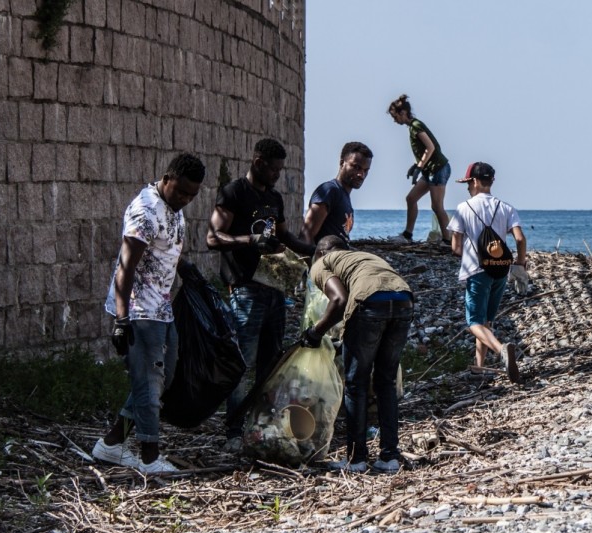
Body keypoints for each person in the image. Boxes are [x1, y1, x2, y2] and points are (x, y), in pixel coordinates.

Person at [92, 153, 206, 474]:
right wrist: (121, 318)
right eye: (181, 191)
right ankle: (149, 457)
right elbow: (125, 269)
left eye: (192, 195)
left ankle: (111, 444)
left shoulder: (173, 209)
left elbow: (166, 251)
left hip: (162, 309)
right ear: (166, 179)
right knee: (148, 382)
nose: (185, 199)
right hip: (140, 311)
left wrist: (188, 270)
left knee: (162, 379)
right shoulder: (145, 212)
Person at [207, 138, 308, 451]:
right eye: (274, 169)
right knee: (241, 364)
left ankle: (262, 426)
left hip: (274, 289)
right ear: (258, 162)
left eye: (281, 169)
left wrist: (317, 251)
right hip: (245, 290)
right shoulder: (234, 193)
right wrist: (250, 241)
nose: (278, 175)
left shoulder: (274, 198)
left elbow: (285, 235)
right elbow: (213, 237)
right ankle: (234, 431)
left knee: (271, 363)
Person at [300, 235, 413, 474]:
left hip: (370, 304)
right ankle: (390, 457)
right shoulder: (365, 257)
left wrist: (315, 332)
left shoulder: (323, 261)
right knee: (386, 383)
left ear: (321, 252)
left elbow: (339, 300)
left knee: (355, 383)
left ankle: (356, 459)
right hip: (403, 301)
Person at [446, 161, 528, 383]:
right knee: (486, 322)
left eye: (467, 184)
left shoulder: (464, 208)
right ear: (491, 181)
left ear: (473, 181)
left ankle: (501, 350)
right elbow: (520, 238)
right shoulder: (506, 207)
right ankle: (479, 368)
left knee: (474, 322)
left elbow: (455, 248)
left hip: (477, 270)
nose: (467, 188)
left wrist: (467, 253)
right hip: (500, 271)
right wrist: (520, 264)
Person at [388, 95, 451, 245]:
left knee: (437, 206)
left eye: (395, 116)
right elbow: (425, 151)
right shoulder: (412, 127)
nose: (394, 120)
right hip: (429, 170)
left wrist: (419, 166)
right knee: (411, 199)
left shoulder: (416, 125)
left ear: (403, 113)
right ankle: (407, 235)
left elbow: (431, 147)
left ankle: (447, 241)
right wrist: (415, 165)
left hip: (438, 169)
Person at [300, 142, 373, 251]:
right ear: (342, 163)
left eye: (365, 170)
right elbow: (306, 236)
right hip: (326, 264)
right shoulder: (329, 191)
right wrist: (317, 265)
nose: (361, 175)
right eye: (356, 167)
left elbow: (342, 240)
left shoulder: (344, 197)